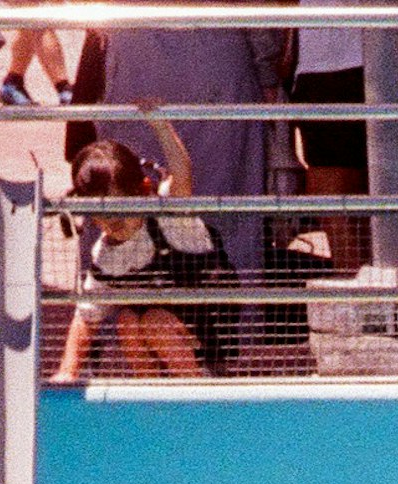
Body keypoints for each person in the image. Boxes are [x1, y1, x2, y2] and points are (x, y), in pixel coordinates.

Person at [68, 3, 288, 367]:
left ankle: (108, 343)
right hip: (216, 56)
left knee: (118, 188)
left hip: (138, 53)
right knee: (223, 208)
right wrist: (266, 72)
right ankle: (231, 345)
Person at [55, 131, 213, 378]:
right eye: (100, 216)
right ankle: (151, 396)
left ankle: (197, 390)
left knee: (153, 321)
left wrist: (159, 123)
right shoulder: (107, 255)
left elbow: (182, 173)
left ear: (143, 191)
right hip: (161, 331)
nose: (111, 224)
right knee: (126, 320)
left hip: (208, 332)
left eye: (120, 212)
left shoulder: (169, 217)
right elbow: (86, 318)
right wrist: (67, 371)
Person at [287, 0, 375, 273]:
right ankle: (361, 299)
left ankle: (366, 298)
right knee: (339, 200)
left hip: (369, 61)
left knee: (346, 198)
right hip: (321, 69)